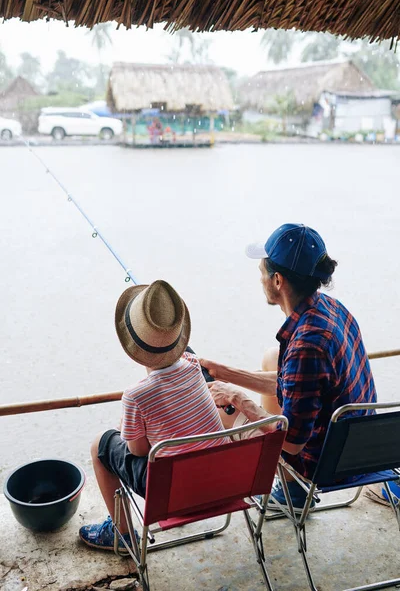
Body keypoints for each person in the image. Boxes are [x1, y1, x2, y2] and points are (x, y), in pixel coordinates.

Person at [202, 223, 377, 510]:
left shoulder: (306, 346)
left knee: (221, 411)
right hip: (360, 447)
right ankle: (291, 489)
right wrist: (224, 372)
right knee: (273, 356)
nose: (260, 279)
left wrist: (237, 398)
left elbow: (292, 443)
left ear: (278, 281)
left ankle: (291, 491)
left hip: (324, 463)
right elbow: (298, 383)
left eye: (262, 273)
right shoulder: (332, 308)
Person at [79, 280, 227, 552]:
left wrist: (131, 425)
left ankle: (122, 534)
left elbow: (139, 450)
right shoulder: (194, 367)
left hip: (173, 495)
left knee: (99, 445)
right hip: (222, 484)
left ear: (133, 347)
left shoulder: (136, 396)